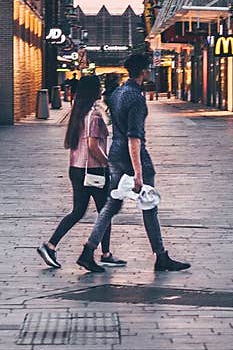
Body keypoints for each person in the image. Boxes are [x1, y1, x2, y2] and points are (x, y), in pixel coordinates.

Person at [76, 51, 190, 274]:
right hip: (133, 157)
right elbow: (134, 137)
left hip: (116, 155)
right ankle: (161, 257)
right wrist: (138, 173)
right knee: (149, 204)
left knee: (110, 205)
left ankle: (87, 252)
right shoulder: (136, 98)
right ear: (144, 71)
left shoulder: (118, 93)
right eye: (148, 68)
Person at [37, 74, 125, 269]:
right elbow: (93, 146)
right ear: (93, 91)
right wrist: (109, 163)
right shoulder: (93, 115)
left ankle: (50, 245)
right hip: (93, 169)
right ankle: (105, 253)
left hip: (76, 168)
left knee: (78, 211)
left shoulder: (78, 112)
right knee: (105, 212)